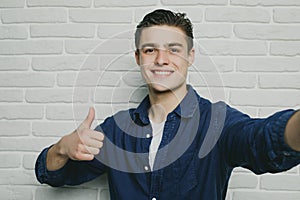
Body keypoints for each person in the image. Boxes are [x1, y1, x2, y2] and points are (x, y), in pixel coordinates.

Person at [35, 9, 300, 200]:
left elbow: (262, 141)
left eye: (173, 49)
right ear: (138, 57)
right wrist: (61, 149)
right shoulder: (116, 130)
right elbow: (54, 176)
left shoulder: (217, 122)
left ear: (190, 56)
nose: (161, 59)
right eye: (150, 50)